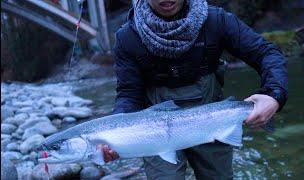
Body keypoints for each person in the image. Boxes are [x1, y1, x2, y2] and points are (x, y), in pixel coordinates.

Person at [101, 0, 288, 179]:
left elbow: (266, 54)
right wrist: (116, 137)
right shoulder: (127, 37)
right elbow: (128, 94)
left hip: (214, 120)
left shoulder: (216, 20)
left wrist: (274, 94)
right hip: (155, 131)